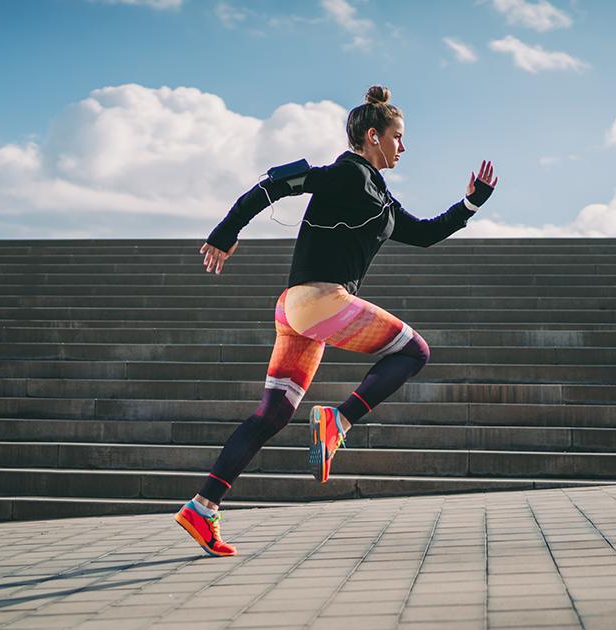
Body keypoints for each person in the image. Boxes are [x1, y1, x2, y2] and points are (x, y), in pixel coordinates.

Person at [174, 85, 499, 557]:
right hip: (319, 299)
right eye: (398, 137)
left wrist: (470, 204)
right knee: (413, 351)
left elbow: (426, 235)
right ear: (373, 136)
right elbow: (272, 185)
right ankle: (338, 421)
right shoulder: (346, 174)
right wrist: (225, 232)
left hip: (297, 312)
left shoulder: (380, 195)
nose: (403, 147)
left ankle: (203, 507)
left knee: (274, 414)